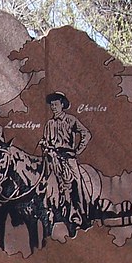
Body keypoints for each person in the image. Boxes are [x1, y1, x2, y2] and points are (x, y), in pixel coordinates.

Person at [39, 92, 92, 230]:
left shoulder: (71, 120)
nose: (53, 107)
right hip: (52, 158)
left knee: (77, 182)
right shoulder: (49, 124)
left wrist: (77, 150)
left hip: (68, 158)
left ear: (62, 104)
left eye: (56, 104)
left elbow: (86, 134)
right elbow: (46, 140)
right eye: (52, 105)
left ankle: (82, 214)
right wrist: (44, 144)